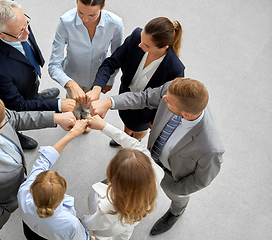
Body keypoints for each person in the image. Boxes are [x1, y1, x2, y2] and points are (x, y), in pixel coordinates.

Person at [89, 78, 225, 235]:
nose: (164, 98)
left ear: (186, 114)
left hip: (172, 177)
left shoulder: (210, 148)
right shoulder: (171, 91)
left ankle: (176, 212)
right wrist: (109, 102)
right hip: (149, 156)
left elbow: (201, 180)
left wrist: (173, 187)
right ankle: (117, 187)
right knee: (128, 174)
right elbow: (144, 98)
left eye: (168, 101)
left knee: (177, 197)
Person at [0, 97, 76, 240]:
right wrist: (4, 212)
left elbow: (17, 118)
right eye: (3, 121)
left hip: (16, 181)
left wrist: (56, 118)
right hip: (6, 203)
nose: (7, 117)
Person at [0, 0, 76, 149]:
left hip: (21, 80)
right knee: (10, 117)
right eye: (20, 32)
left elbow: (23, 31)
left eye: (26, 24)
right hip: (8, 100)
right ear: (0, 33)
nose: (27, 32)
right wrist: (57, 105)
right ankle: (14, 134)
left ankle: (35, 98)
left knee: (30, 92)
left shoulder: (8, 21)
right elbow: (17, 105)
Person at [87, 17, 184, 146]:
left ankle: (134, 141)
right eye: (142, 39)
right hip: (124, 96)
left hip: (145, 111)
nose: (140, 45)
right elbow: (111, 63)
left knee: (137, 129)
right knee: (127, 123)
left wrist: (154, 120)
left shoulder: (175, 69)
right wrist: (96, 88)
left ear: (164, 47)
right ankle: (125, 135)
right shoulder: (136, 37)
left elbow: (168, 100)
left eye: (146, 45)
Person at [80, 115, 164, 240]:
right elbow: (133, 143)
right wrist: (104, 126)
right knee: (126, 233)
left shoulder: (108, 206)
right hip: (132, 221)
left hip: (108, 231)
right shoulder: (155, 171)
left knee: (102, 237)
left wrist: (81, 221)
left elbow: (95, 223)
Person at [48, 0, 123, 130]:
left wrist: (110, 80)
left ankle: (86, 115)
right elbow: (53, 65)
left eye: (92, 15)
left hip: (98, 76)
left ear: (103, 6)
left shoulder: (115, 24)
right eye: (80, 12)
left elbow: (116, 57)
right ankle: (75, 116)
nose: (85, 20)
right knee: (73, 101)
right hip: (72, 73)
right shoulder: (66, 22)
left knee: (89, 103)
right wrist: (70, 83)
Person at [18, 120, 91, 240]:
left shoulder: (23, 191)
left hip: (30, 231)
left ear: (32, 189)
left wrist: (72, 133)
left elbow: (43, 162)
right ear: (62, 197)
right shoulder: (71, 224)